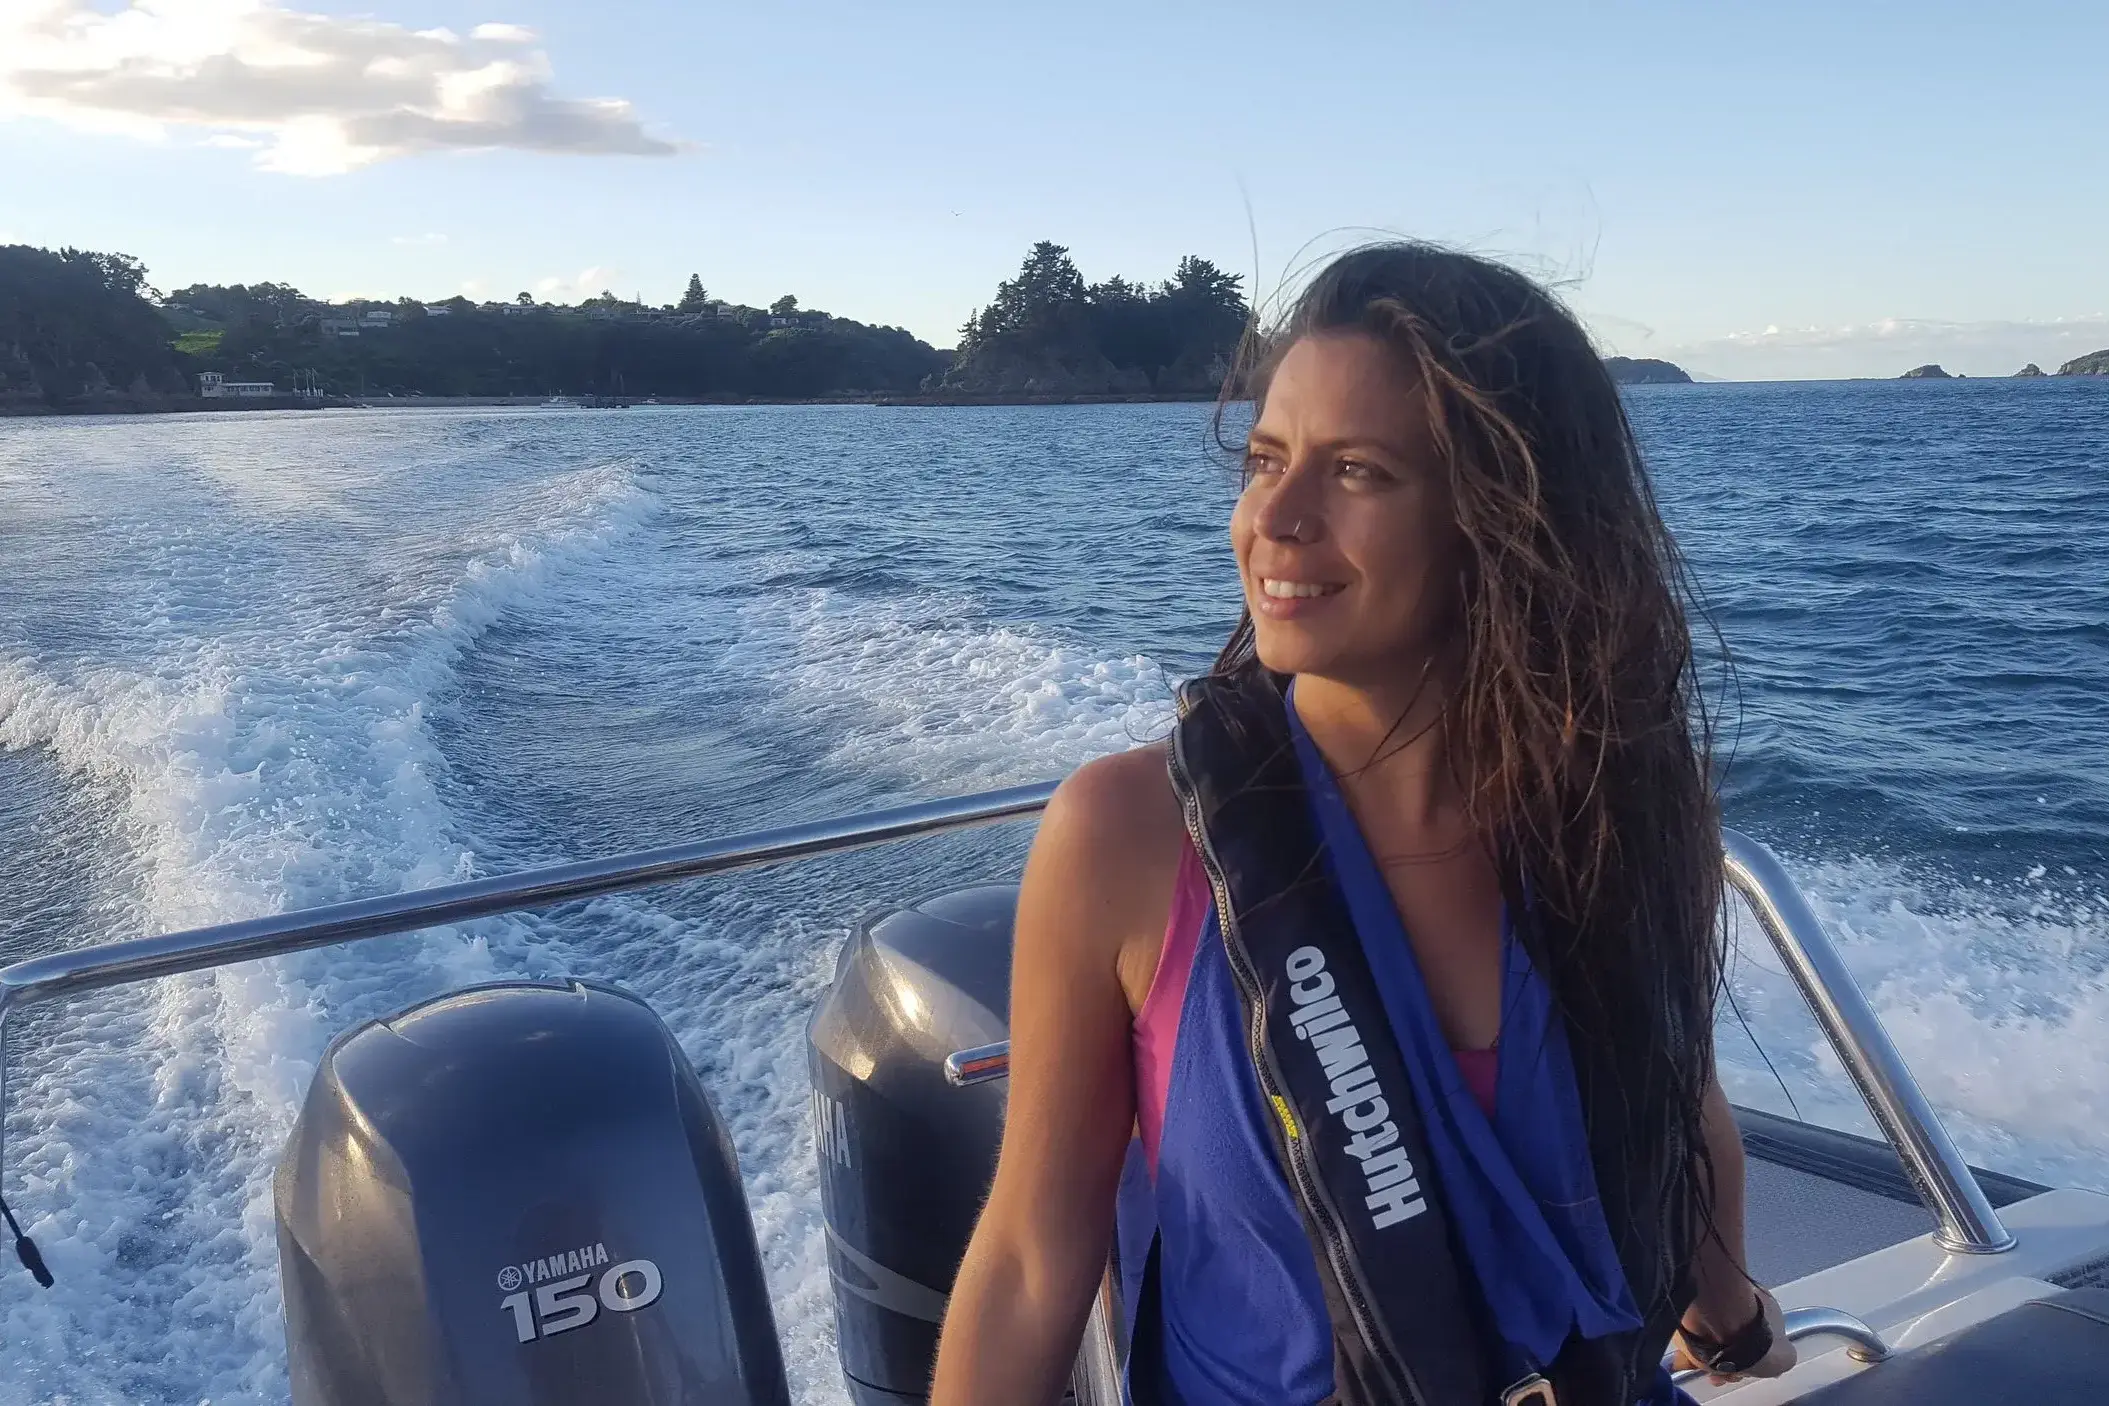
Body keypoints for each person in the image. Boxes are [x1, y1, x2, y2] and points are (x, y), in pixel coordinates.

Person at [929, 243, 1797, 1406]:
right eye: (1266, 460)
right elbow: (1033, 1259)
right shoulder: (1127, 838)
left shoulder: (1621, 811)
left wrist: (1732, 1323)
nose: (1274, 519)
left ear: (1499, 517)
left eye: (1360, 472)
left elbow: (1673, 1100)